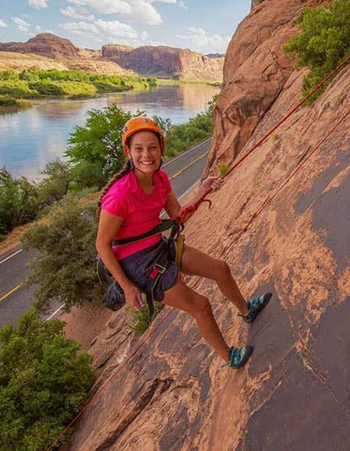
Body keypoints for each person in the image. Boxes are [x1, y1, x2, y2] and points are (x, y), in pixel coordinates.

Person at [95, 116, 271, 369]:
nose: (147, 155)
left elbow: (177, 214)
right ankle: (229, 356)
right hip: (138, 265)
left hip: (157, 247)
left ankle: (246, 311)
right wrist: (127, 287)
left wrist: (203, 190)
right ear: (128, 152)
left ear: (161, 148)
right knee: (201, 306)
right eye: (139, 149)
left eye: (152, 147)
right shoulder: (120, 194)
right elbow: (102, 244)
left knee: (220, 269)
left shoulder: (161, 179)